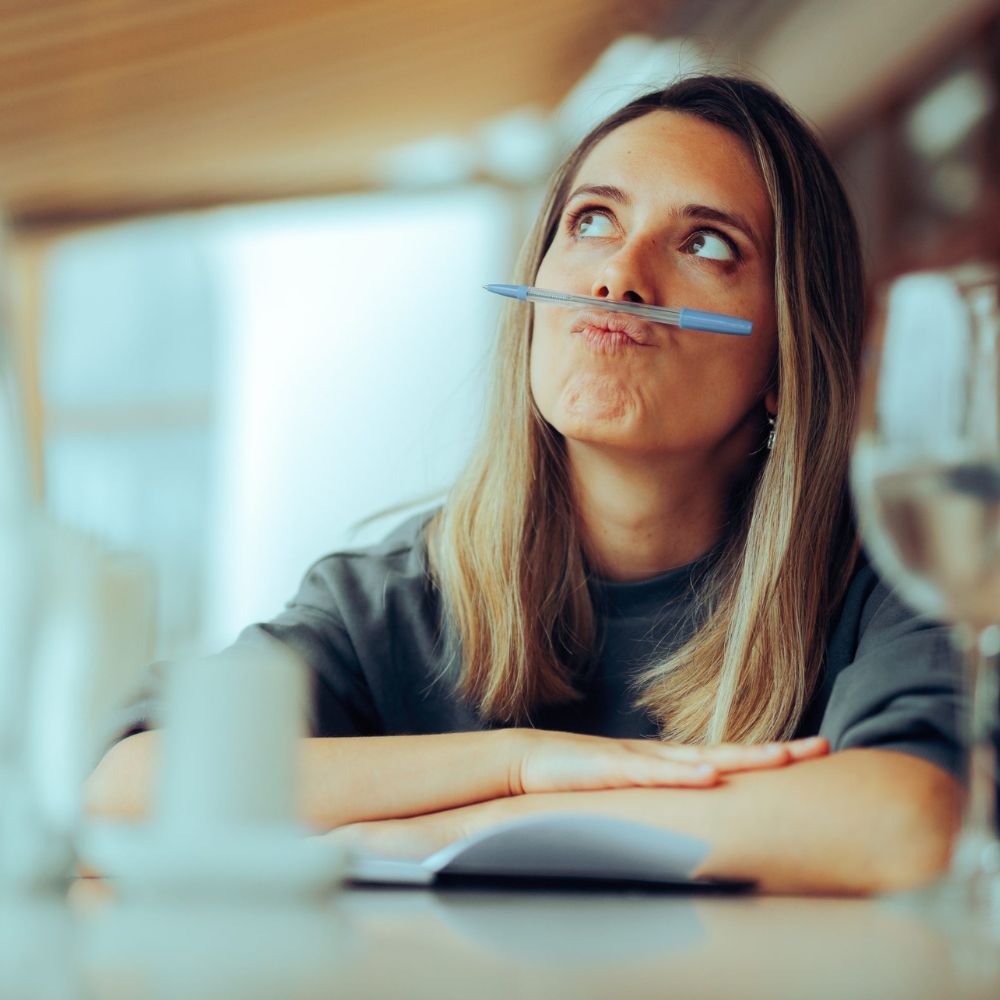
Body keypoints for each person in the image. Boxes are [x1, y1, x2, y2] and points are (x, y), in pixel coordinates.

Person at [86, 75, 963, 895]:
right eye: (591, 222)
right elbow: (130, 786)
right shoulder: (393, 595)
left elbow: (907, 822)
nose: (619, 277)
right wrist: (518, 761)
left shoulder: (886, 569)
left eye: (705, 243)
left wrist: (460, 828)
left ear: (787, 355)